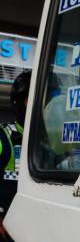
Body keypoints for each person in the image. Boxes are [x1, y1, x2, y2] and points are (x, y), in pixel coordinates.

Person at [0, 70, 31, 241]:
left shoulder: (53, 139)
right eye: (30, 98)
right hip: (7, 226)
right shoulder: (3, 135)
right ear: (19, 102)